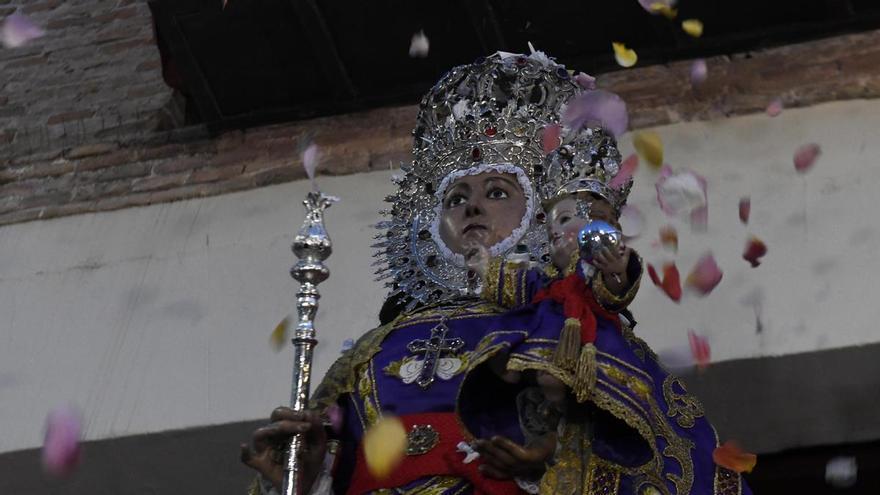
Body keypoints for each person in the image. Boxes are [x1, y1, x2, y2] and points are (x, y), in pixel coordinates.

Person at [241, 50, 752, 495]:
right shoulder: (365, 357)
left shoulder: (554, 323)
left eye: (497, 192)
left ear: (536, 213)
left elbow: (627, 450)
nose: (472, 208)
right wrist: (303, 473)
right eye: (456, 198)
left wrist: (544, 465)